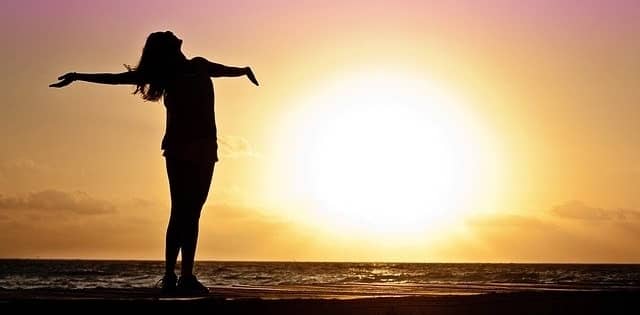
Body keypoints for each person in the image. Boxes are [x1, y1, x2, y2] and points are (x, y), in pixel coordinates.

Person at [50, 31, 259, 295]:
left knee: (191, 212)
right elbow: (116, 79)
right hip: (179, 148)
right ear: (168, 48)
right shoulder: (166, 74)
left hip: (206, 148)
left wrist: (244, 70)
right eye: (167, 36)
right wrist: (79, 76)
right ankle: (173, 275)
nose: (173, 32)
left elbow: (226, 70)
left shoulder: (199, 65)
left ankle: (184, 276)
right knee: (182, 211)